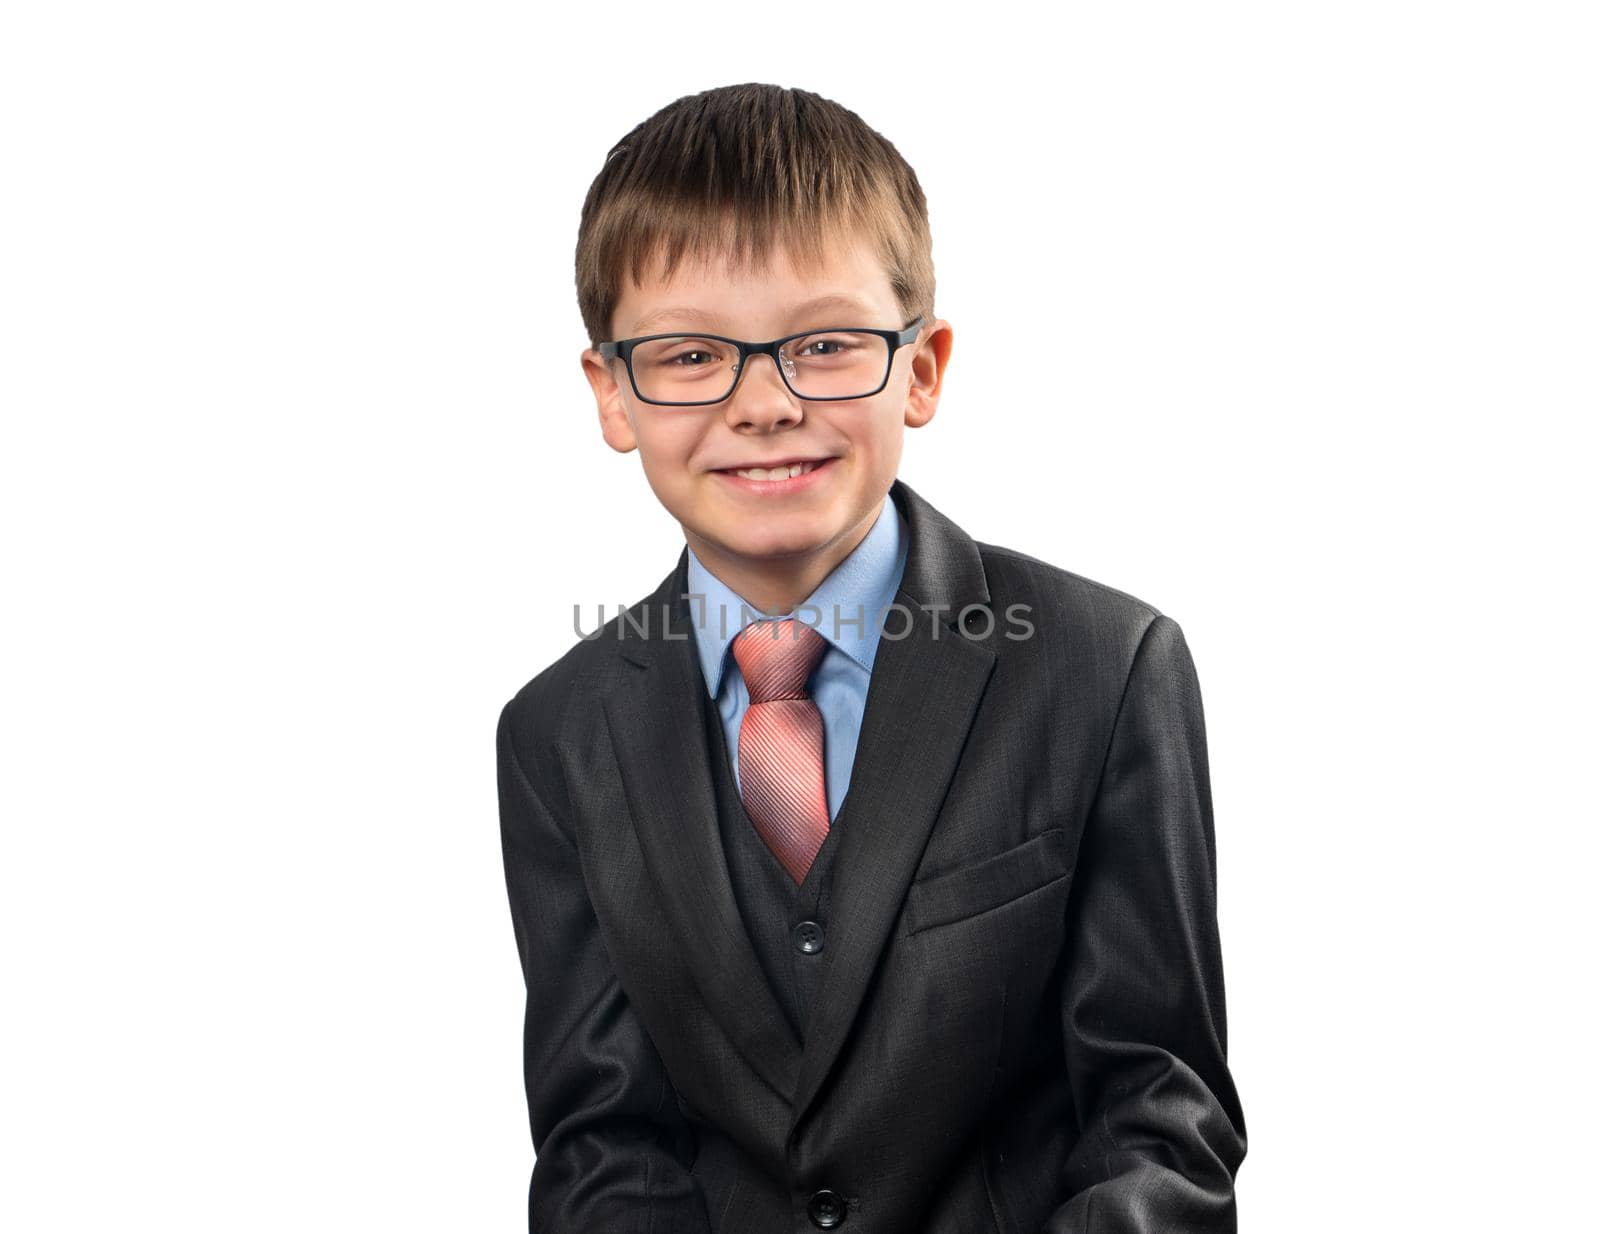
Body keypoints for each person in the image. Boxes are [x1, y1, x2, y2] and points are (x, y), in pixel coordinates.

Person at [496, 81, 1246, 1233]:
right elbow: (607, 1142)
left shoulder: (1104, 669)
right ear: (612, 395)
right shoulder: (556, 733)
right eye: (692, 354)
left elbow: (1157, 1114)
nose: (763, 403)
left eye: (824, 344)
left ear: (924, 367)